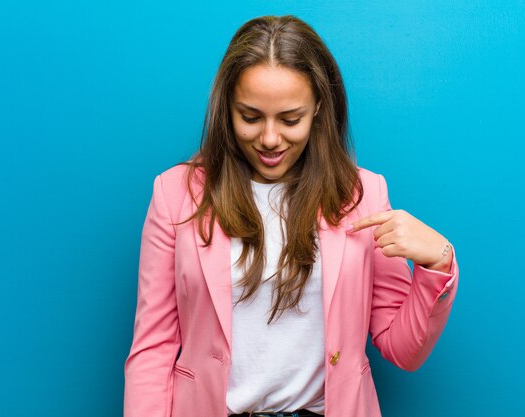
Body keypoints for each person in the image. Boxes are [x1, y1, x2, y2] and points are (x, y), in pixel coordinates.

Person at [124, 14, 459, 417]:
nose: (268, 138)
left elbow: (402, 349)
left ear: (318, 106)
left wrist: (437, 262)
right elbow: (153, 348)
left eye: (289, 119)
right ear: (226, 107)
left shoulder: (364, 195)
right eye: (249, 116)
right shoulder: (175, 194)